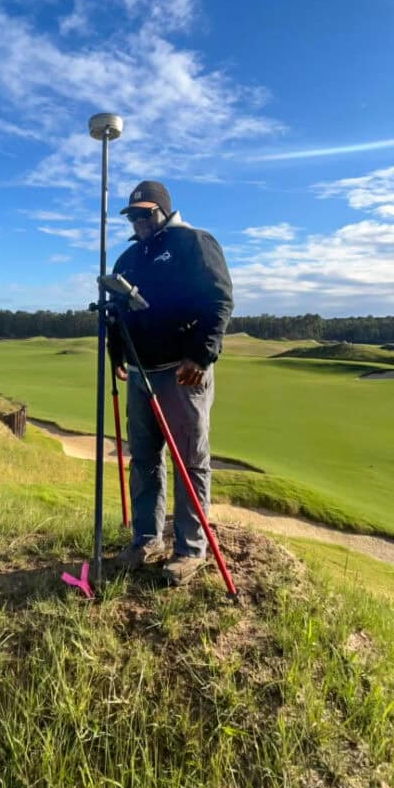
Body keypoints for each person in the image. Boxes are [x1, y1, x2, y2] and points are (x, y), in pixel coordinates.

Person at [108, 180, 234, 586]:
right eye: (133, 215)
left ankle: (189, 549)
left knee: (189, 462)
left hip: (182, 371)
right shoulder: (127, 258)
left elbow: (219, 300)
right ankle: (145, 540)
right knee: (144, 459)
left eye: (146, 213)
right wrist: (116, 354)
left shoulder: (194, 243)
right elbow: (117, 313)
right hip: (140, 372)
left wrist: (202, 354)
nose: (139, 221)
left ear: (163, 210)